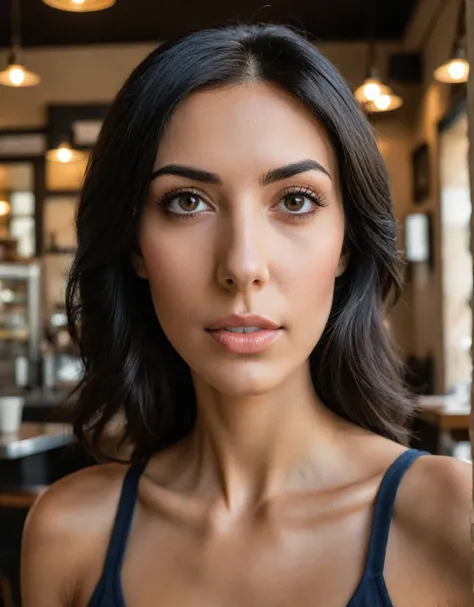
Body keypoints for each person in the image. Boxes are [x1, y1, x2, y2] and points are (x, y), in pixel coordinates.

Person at [21, 24, 471, 607]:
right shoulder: (69, 534)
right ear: (134, 245)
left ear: (346, 244)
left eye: (295, 200)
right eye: (187, 201)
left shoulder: (451, 521)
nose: (242, 265)